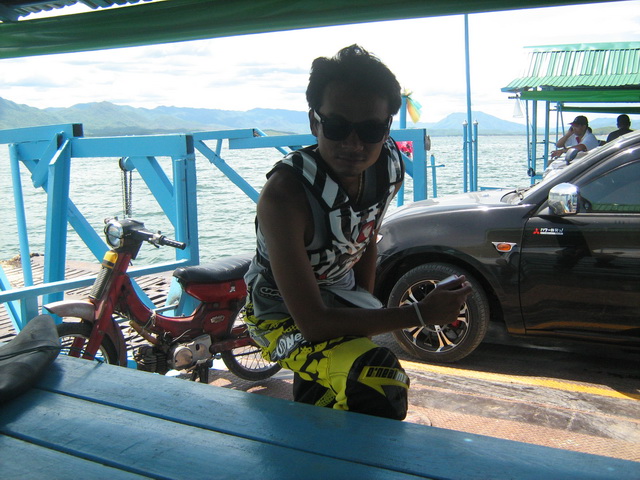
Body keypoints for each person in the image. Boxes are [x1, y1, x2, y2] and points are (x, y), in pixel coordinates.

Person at [242, 45, 471, 420]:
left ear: (387, 128)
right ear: (315, 123)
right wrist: (419, 313)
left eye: (370, 130)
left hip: (339, 296)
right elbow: (314, 324)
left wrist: (362, 308)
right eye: (336, 127)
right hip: (279, 316)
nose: (354, 144)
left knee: (340, 378)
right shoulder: (286, 195)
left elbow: (366, 240)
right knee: (376, 376)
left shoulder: (388, 168)